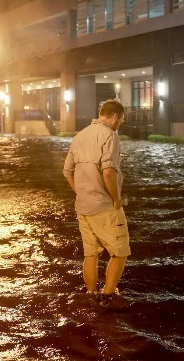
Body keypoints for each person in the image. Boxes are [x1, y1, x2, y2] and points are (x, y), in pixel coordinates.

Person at [63, 99, 130, 309]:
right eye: (121, 120)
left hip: (83, 206)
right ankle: (108, 296)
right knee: (120, 252)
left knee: (90, 254)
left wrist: (81, 192)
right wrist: (116, 200)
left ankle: (91, 294)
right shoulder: (110, 136)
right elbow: (108, 172)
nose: (120, 124)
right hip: (104, 206)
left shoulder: (79, 136)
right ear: (115, 116)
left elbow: (67, 171)